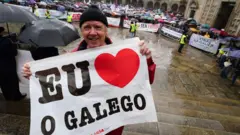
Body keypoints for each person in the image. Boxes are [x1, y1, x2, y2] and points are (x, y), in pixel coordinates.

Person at [22, 5, 156, 135]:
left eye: (98, 27)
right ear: (81, 30)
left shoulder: (123, 56)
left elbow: (145, 81)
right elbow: (58, 87)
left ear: (106, 30)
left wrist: (146, 60)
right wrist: (36, 75)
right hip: (83, 125)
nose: (92, 32)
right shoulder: (70, 58)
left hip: (112, 125)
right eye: (87, 27)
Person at [0, 27, 26, 101]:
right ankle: (16, 96)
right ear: (1, 32)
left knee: (3, 82)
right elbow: (14, 53)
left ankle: (7, 97)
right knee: (12, 81)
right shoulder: (6, 41)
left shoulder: (6, 41)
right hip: (8, 65)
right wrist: (13, 44)